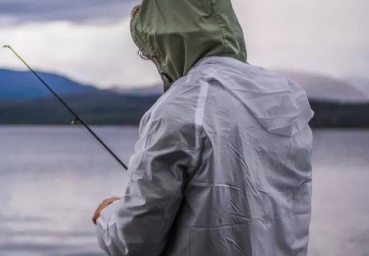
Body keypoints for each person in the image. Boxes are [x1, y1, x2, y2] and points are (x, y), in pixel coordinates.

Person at [92, 0, 314, 255]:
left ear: (168, 41)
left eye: (152, 52)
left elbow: (135, 242)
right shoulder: (288, 100)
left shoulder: (180, 106)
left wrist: (107, 216)